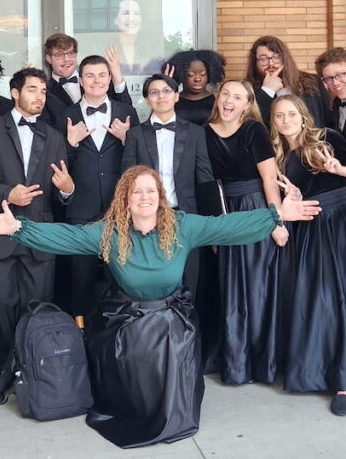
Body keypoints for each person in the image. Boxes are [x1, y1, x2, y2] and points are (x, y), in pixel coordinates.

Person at [0, 166, 321, 448]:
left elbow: (226, 227)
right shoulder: (109, 232)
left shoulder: (184, 225)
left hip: (172, 313)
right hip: (127, 316)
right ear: (125, 199)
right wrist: (18, 228)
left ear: (161, 198)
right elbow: (65, 237)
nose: (144, 197)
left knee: (171, 348)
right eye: (136, 191)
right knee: (132, 362)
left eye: (150, 191)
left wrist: (277, 215)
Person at [0, 67, 74, 379]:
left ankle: (33, 371)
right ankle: (4, 372)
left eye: (43, 92)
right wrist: (8, 194)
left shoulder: (55, 137)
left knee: (36, 306)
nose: (39, 97)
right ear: (15, 93)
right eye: (32, 90)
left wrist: (68, 189)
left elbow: (61, 191)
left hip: (39, 237)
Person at [268, 95, 346, 416]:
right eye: (279, 116)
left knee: (341, 298)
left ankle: (345, 381)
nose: (286, 120)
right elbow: (290, 197)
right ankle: (316, 370)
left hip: (337, 223)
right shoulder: (279, 157)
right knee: (314, 301)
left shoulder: (327, 137)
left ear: (302, 115)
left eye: (291, 113)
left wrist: (340, 169)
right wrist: (292, 195)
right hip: (307, 229)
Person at [195, 79, 287, 383]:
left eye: (238, 96)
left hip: (253, 207)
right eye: (225, 94)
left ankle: (265, 364)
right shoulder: (202, 133)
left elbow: (269, 181)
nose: (229, 100)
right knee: (229, 288)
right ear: (217, 97)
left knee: (258, 287)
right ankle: (237, 364)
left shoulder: (253, 131)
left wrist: (276, 221)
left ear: (248, 105)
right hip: (221, 211)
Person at [61, 54, 140, 318]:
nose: (97, 81)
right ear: (80, 80)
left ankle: (119, 336)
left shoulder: (127, 112)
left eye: (102, 75)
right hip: (80, 210)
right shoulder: (66, 115)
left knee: (120, 278)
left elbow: (140, 158)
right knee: (79, 283)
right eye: (90, 76)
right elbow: (56, 163)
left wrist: (125, 140)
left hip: (119, 211)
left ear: (110, 78)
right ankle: (80, 340)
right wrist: (70, 144)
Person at [121, 73, 214, 293]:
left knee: (189, 281)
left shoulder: (196, 133)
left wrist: (209, 223)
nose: (161, 96)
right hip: (146, 218)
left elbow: (205, 178)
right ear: (146, 100)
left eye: (166, 91)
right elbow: (127, 179)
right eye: (154, 92)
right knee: (152, 280)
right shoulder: (135, 135)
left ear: (176, 96)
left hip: (185, 216)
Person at [40, 33, 132, 130]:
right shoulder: (44, 91)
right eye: (59, 55)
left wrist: (117, 76)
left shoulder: (99, 81)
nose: (66, 60)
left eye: (71, 53)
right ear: (48, 59)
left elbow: (127, 112)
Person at [245, 36, 329, 128]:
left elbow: (328, 119)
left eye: (276, 57)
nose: (271, 64)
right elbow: (250, 124)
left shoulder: (313, 81)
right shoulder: (247, 89)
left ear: (285, 58)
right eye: (263, 59)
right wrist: (267, 91)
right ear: (255, 63)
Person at [165, 49, 226, 126]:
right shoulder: (171, 99)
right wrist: (165, 89)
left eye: (203, 74)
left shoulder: (218, 99)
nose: (197, 79)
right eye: (190, 75)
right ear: (180, 74)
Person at [110, 0, 164, 77]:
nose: (131, 18)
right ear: (115, 19)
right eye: (126, 13)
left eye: (136, 14)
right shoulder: (107, 49)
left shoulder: (151, 50)